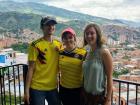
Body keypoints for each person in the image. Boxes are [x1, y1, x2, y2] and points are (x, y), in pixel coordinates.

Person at [25, 16, 62, 105]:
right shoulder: (35, 45)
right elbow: (30, 69)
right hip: (37, 87)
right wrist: (26, 91)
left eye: (52, 24)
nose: (51, 27)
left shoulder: (59, 45)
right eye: (47, 25)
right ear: (42, 27)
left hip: (53, 87)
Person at [82, 23, 113, 105]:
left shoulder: (104, 52)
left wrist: (108, 100)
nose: (89, 36)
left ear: (97, 34)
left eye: (92, 33)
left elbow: (110, 77)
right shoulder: (87, 51)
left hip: (98, 98)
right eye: (87, 33)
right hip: (85, 96)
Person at [58, 27, 86, 105]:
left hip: (78, 89)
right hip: (64, 89)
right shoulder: (60, 53)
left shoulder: (82, 53)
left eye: (70, 37)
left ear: (74, 38)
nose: (68, 40)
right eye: (65, 38)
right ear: (62, 40)